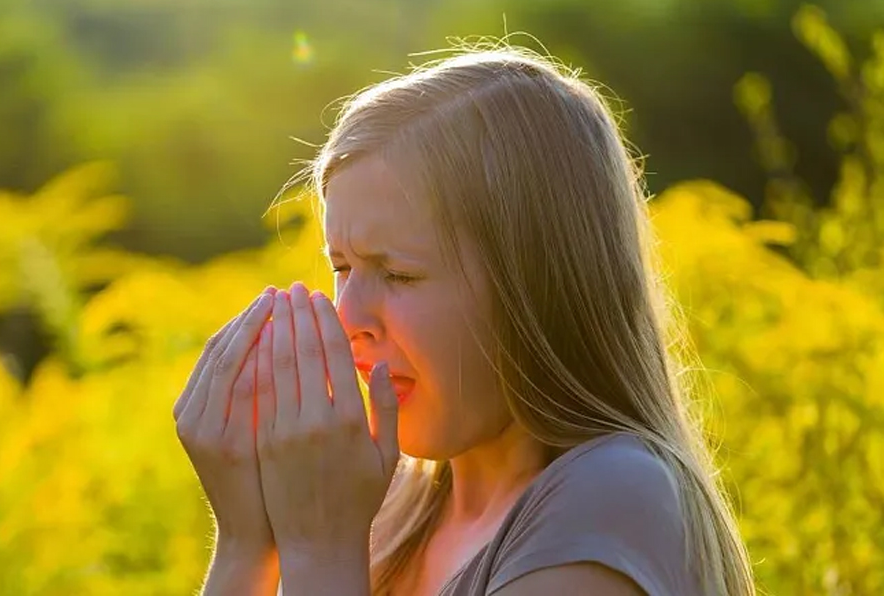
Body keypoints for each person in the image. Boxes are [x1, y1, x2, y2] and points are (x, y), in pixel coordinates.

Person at [173, 44, 756, 596]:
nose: (347, 318)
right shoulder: (397, 502)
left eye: (398, 274)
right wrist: (250, 544)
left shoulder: (610, 499)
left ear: (535, 284)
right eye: (342, 267)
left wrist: (321, 550)